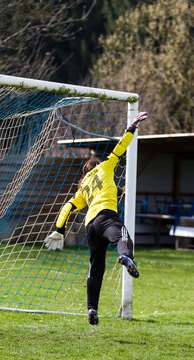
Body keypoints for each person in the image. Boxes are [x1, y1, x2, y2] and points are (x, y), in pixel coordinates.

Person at [44, 111, 148, 325]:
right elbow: (120, 148)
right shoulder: (105, 166)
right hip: (106, 217)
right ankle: (126, 257)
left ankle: (92, 308)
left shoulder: (83, 186)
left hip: (90, 226)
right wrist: (132, 128)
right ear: (97, 164)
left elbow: (68, 207)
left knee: (96, 267)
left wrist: (59, 230)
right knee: (123, 236)